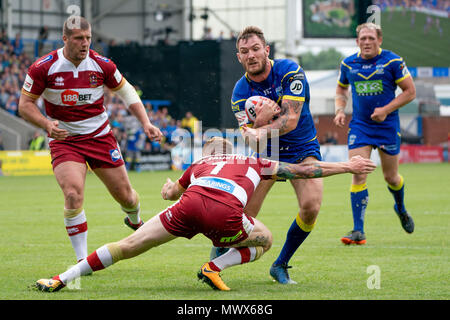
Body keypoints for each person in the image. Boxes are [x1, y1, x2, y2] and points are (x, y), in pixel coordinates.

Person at [33, 137, 376, 292]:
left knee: (128, 244)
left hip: (186, 208)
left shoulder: (198, 164)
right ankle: (214, 266)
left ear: (208, 153)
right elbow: (304, 172)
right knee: (265, 239)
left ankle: (62, 278)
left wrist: (170, 187)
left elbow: (170, 194)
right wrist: (348, 165)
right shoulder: (252, 161)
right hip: (225, 214)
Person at [18, 16, 162, 263]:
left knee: (126, 197)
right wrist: (46, 124)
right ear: (65, 39)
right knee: (73, 194)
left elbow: (127, 93)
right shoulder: (44, 67)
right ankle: (82, 261)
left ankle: (134, 219)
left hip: (99, 138)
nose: (85, 43)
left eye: (88, 38)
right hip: (65, 140)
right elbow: (25, 104)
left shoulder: (101, 64)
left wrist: (146, 123)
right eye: (78, 38)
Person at [229, 26, 323, 284]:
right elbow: (250, 139)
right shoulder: (239, 93)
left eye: (256, 49)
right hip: (268, 153)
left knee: (311, 207)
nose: (251, 55)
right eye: (244, 51)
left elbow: (290, 121)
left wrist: (260, 128)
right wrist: (257, 127)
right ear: (238, 56)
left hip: (302, 147)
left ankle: (280, 264)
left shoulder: (290, 71)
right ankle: (221, 250)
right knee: (241, 216)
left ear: (267, 50)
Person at [333, 22, 416, 245]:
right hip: (360, 126)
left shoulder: (392, 61)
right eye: (363, 38)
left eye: (371, 38)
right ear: (357, 41)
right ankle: (358, 231)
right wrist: (340, 109)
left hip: (387, 126)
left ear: (379, 40)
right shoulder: (348, 63)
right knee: (358, 172)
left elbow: (410, 92)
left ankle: (400, 207)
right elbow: (341, 88)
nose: (367, 42)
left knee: (391, 177)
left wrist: (385, 110)